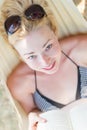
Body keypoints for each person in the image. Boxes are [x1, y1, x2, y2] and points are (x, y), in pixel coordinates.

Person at [0, 0, 87, 130]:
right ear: (19, 54)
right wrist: (33, 116)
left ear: (54, 31)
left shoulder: (82, 50)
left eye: (48, 46)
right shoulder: (20, 83)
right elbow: (33, 111)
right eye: (31, 56)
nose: (45, 62)